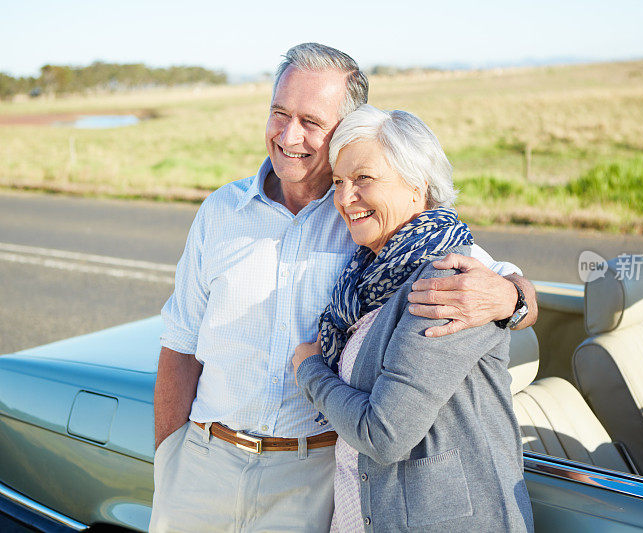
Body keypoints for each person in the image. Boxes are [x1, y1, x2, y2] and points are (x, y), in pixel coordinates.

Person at [151, 43, 537, 532]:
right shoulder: (221, 212)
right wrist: (171, 461)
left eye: (311, 121)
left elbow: (491, 279)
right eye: (279, 113)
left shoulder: (372, 225)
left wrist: (513, 296)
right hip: (203, 466)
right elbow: (181, 344)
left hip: (310, 481)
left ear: (344, 132)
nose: (290, 135)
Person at [292, 105, 534, 532]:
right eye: (338, 182)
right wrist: (516, 292)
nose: (345, 198)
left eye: (363, 179)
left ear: (417, 186)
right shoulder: (368, 274)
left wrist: (309, 371)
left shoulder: (448, 280)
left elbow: (384, 434)